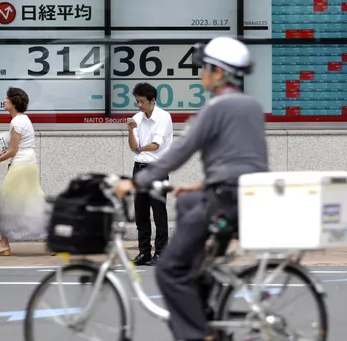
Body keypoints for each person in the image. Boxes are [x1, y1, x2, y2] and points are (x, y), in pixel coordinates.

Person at [114, 37, 268, 341]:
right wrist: (201, 184)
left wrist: (135, 181)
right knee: (187, 210)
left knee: (168, 269)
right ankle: (205, 303)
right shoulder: (251, 106)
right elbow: (244, 160)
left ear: (219, 72)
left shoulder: (215, 108)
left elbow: (177, 152)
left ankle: (199, 334)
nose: (201, 74)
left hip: (225, 201)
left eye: (205, 68)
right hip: (244, 196)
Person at [0, 87, 46, 256]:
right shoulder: (24, 119)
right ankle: (57, 241)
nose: (4, 101)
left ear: (13, 103)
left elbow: (13, 151)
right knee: (34, 202)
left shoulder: (16, 122)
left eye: (7, 99)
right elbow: (15, 148)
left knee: (6, 200)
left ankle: (4, 245)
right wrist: (6, 154)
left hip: (21, 165)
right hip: (28, 163)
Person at [126, 82, 173, 266]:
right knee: (141, 212)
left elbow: (156, 145)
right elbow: (132, 148)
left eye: (142, 101)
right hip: (139, 167)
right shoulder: (137, 118)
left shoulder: (164, 117)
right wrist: (130, 130)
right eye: (137, 101)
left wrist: (139, 148)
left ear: (153, 100)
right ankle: (144, 252)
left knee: (159, 212)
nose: (139, 105)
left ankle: (161, 253)